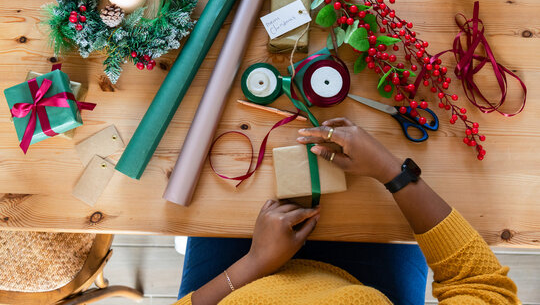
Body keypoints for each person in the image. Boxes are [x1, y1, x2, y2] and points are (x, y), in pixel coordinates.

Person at [175, 118, 519, 305]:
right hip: (373, 282)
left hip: (240, 276)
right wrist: (391, 171)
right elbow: (480, 283)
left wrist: (255, 263)